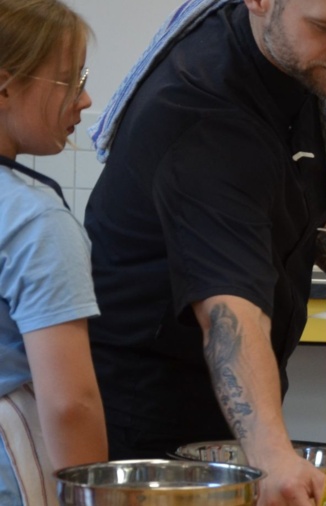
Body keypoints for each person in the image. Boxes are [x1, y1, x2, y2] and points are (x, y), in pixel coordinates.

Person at [83, 0, 326, 504]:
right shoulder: (203, 108)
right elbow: (228, 309)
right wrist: (269, 455)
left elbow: (284, 192)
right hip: (149, 418)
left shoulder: (296, 64)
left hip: (228, 406)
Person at [0, 1, 108, 504]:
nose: (84, 100)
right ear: (4, 85)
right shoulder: (34, 220)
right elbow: (70, 406)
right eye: (69, 81)